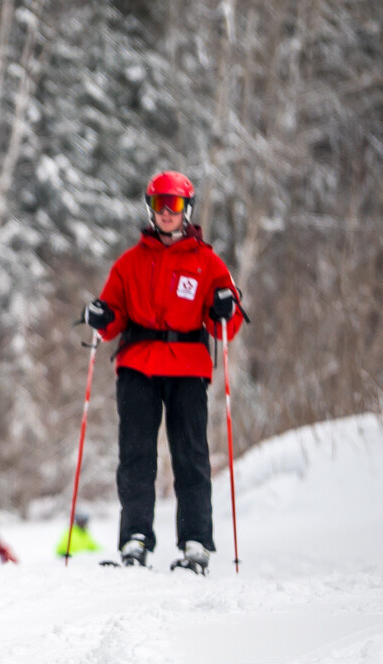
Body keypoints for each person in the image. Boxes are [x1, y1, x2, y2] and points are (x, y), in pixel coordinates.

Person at [80, 170, 245, 574]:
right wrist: (99, 315)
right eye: (159, 204)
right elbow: (111, 318)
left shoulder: (207, 262)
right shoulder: (130, 262)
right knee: (136, 455)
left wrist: (228, 306)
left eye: (173, 205)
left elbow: (226, 323)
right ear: (150, 210)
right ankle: (135, 541)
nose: (166, 212)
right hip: (138, 365)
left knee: (190, 454)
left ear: (186, 210)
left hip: (188, 367)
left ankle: (195, 544)